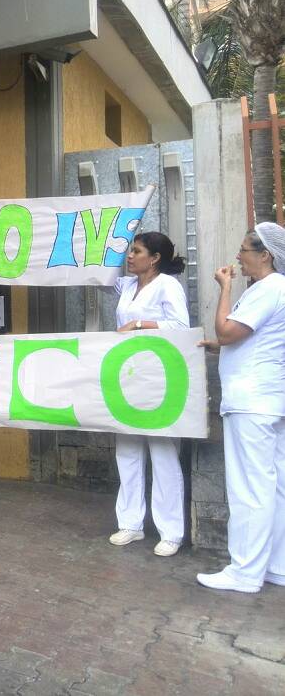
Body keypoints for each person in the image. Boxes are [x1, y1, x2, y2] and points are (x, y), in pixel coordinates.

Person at [197, 224, 285, 593]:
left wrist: (225, 288)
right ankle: (275, 566)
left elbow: (229, 330)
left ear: (264, 254)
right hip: (266, 398)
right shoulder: (275, 290)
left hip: (252, 401)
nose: (238, 256)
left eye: (245, 250)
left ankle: (245, 572)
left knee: (250, 488)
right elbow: (248, 341)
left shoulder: (269, 288)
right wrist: (222, 346)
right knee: (272, 486)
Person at [105, 232, 190, 557]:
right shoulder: (126, 285)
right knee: (127, 450)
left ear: (154, 258)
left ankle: (171, 531)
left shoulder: (168, 285)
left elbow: (181, 325)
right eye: (130, 250)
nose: (129, 256)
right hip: (126, 377)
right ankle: (130, 523)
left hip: (158, 378)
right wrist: (116, 233)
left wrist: (139, 324)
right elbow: (97, 273)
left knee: (163, 452)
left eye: (136, 251)